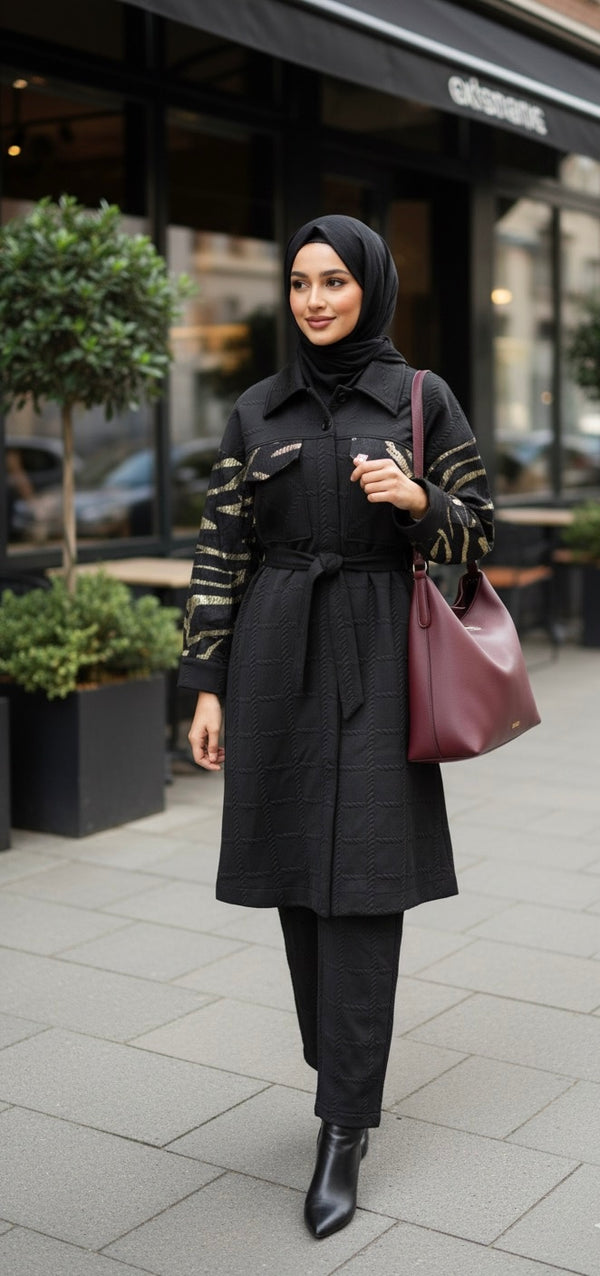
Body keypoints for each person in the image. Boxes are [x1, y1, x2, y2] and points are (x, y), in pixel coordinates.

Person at [179, 214, 494, 1240]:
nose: (316, 299)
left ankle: (342, 1124)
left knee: (361, 883)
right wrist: (207, 683)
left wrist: (416, 498)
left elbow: (477, 526)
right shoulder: (256, 407)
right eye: (302, 282)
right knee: (289, 876)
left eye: (335, 282)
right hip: (274, 652)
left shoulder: (419, 398)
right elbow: (221, 546)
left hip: (377, 654)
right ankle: (340, 1057)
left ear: (371, 288)